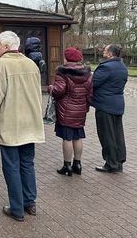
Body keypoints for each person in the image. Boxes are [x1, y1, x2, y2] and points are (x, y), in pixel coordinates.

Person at [0, 31, 44, 222]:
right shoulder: (31, 64)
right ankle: (30, 202)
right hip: (31, 123)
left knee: (11, 166)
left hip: (11, 123)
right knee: (27, 163)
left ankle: (17, 208)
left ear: (7, 46)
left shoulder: (0, 66)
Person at [49, 47, 92, 176]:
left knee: (67, 138)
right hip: (80, 110)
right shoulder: (87, 74)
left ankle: (67, 165)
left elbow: (59, 91)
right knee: (78, 137)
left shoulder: (63, 73)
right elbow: (90, 94)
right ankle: (77, 164)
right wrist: (86, 106)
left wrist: (51, 88)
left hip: (66, 110)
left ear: (66, 58)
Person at [92, 43, 128, 173]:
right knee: (118, 135)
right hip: (117, 104)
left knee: (107, 135)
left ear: (111, 53)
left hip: (105, 105)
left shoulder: (106, 67)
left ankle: (111, 163)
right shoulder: (122, 67)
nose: (103, 52)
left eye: (105, 50)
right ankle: (119, 161)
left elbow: (93, 83)